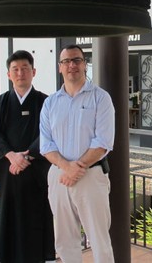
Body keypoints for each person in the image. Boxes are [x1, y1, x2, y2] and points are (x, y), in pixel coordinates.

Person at [40, 44, 115, 263]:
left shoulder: (101, 98)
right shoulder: (50, 103)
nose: (72, 65)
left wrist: (76, 168)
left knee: (99, 239)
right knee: (64, 239)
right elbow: (46, 145)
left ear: (84, 64)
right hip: (59, 177)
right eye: (66, 61)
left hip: (91, 176)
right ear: (60, 67)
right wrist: (67, 168)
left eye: (77, 60)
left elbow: (103, 143)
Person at [0, 50, 56, 263]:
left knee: (37, 222)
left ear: (34, 72)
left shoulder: (46, 102)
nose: (20, 73)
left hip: (37, 175)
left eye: (25, 68)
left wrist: (28, 156)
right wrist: (11, 156)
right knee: (8, 222)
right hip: (8, 174)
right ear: (9, 74)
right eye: (15, 69)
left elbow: (50, 133)